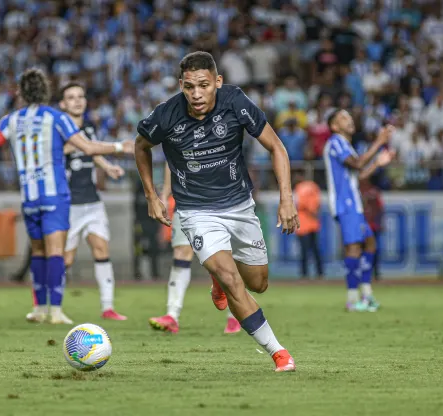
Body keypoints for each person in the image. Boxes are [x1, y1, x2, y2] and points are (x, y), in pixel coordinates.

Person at [134, 51, 298, 372]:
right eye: (189, 87)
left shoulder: (234, 101)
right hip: (196, 212)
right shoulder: (166, 115)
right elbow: (140, 146)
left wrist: (286, 198)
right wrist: (151, 195)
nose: (196, 94)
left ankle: (219, 283)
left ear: (217, 82)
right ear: (181, 85)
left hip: (239, 207)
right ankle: (279, 352)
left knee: (258, 283)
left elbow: (276, 146)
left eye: (204, 86)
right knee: (230, 276)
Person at [0, 68, 134, 324]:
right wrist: (120, 146)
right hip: (55, 197)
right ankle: (56, 311)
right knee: (54, 252)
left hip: (29, 198)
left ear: (22, 93)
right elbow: (87, 146)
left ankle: (39, 308)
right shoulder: (56, 117)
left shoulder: (11, 120)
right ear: (46, 91)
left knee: (38, 252)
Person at [57, 81, 128, 321]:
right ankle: (51, 306)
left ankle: (108, 307)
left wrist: (107, 168)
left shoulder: (87, 128)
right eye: (71, 97)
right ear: (62, 104)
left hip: (92, 201)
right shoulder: (57, 129)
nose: (77, 100)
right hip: (68, 204)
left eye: (80, 96)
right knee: (66, 259)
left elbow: (92, 151)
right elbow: (74, 150)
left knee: (101, 249)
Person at [148, 164, 241, 334]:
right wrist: (165, 193)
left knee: (223, 257)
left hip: (218, 200)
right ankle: (172, 315)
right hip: (185, 200)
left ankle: (235, 316)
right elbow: (171, 159)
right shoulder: (177, 136)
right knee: (181, 254)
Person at [323, 109, 394, 312]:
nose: (350, 120)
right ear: (334, 126)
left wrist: (378, 163)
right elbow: (357, 163)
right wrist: (379, 142)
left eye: (349, 117)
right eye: (343, 118)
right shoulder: (336, 141)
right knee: (354, 247)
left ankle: (367, 295)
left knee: (370, 243)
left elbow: (359, 174)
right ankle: (353, 300)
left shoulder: (346, 146)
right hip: (345, 203)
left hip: (354, 202)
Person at [293, 174, 324, 279]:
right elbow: (318, 203)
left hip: (303, 225)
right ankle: (320, 273)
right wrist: (314, 212)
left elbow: (300, 204)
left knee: (304, 251)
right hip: (313, 223)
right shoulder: (313, 186)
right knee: (315, 250)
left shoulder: (299, 188)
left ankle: (304, 274)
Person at [360, 178, 385, 280]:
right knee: (362, 250)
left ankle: (375, 272)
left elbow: (380, 209)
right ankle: (364, 272)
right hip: (363, 226)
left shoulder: (373, 192)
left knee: (373, 249)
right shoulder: (358, 191)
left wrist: (380, 223)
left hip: (372, 225)